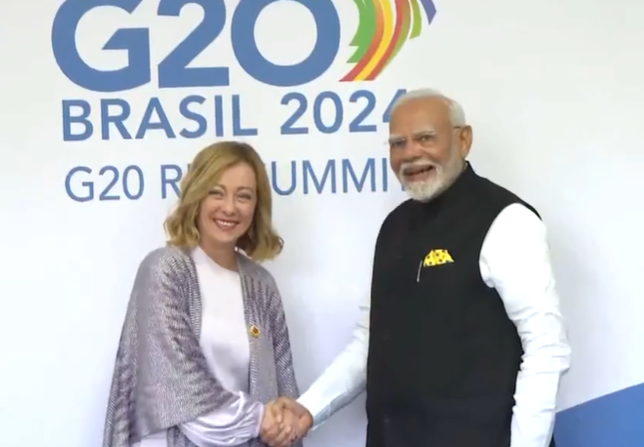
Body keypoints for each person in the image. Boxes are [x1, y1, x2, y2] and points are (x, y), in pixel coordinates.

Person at [274, 88, 572, 447]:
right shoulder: (392, 227)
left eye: (425, 138)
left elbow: (546, 349)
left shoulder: (507, 220)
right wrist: (308, 408)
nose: (410, 153)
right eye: (398, 143)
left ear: (464, 140)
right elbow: (370, 342)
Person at [102, 141, 304, 447]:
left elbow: (284, 386)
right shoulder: (164, 270)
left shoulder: (262, 285)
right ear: (197, 195)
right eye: (216, 192)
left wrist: (287, 420)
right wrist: (260, 419)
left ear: (256, 206)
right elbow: (181, 389)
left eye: (244, 196)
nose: (230, 207)